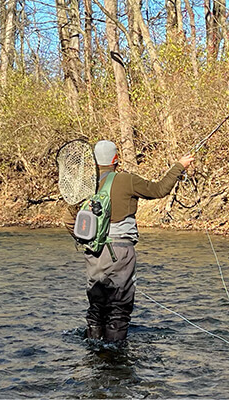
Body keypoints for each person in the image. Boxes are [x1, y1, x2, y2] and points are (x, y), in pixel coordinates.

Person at [65, 140, 194, 342]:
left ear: (95, 161)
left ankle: (95, 351)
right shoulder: (127, 180)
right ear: (116, 159)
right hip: (121, 252)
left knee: (97, 306)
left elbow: (68, 220)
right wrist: (179, 166)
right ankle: (115, 357)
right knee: (119, 307)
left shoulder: (84, 185)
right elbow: (159, 190)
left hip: (93, 254)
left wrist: (90, 241)